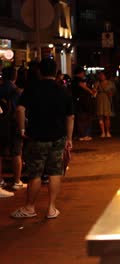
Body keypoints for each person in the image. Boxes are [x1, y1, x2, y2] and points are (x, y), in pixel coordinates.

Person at [11, 58, 74, 219]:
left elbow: (20, 109)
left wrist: (22, 128)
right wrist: (69, 138)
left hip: (37, 136)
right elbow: (70, 117)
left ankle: (30, 207)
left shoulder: (32, 89)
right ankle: (51, 208)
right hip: (58, 137)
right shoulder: (63, 90)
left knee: (35, 174)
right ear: (55, 72)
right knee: (54, 172)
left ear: (40, 71)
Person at [0, 66, 24, 197]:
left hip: (1, 125)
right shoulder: (17, 91)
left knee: (0, 154)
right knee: (16, 153)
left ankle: (0, 181)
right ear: (15, 76)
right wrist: (22, 128)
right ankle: (16, 181)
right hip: (13, 125)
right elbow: (19, 110)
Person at [72, 66, 96, 141]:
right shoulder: (78, 80)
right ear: (80, 73)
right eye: (83, 73)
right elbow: (82, 86)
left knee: (80, 118)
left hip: (77, 101)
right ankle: (82, 135)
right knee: (83, 118)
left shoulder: (73, 80)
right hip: (81, 102)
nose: (84, 74)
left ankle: (79, 135)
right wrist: (91, 91)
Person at [95, 71, 115, 138]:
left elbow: (114, 91)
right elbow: (94, 91)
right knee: (100, 116)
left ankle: (108, 132)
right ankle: (103, 132)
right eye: (100, 75)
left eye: (103, 75)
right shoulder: (97, 83)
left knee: (107, 116)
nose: (101, 76)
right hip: (100, 99)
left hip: (107, 99)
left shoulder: (110, 83)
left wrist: (110, 93)